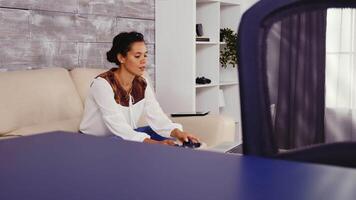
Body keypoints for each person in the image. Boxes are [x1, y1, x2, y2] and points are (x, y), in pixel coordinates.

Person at [79, 31, 199, 146]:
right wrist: (155, 144)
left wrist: (178, 133)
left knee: (166, 135)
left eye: (145, 55)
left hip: (126, 136)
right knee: (138, 139)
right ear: (121, 58)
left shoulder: (142, 83)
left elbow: (156, 116)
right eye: (137, 56)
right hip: (96, 142)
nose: (144, 61)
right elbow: (118, 126)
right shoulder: (102, 84)